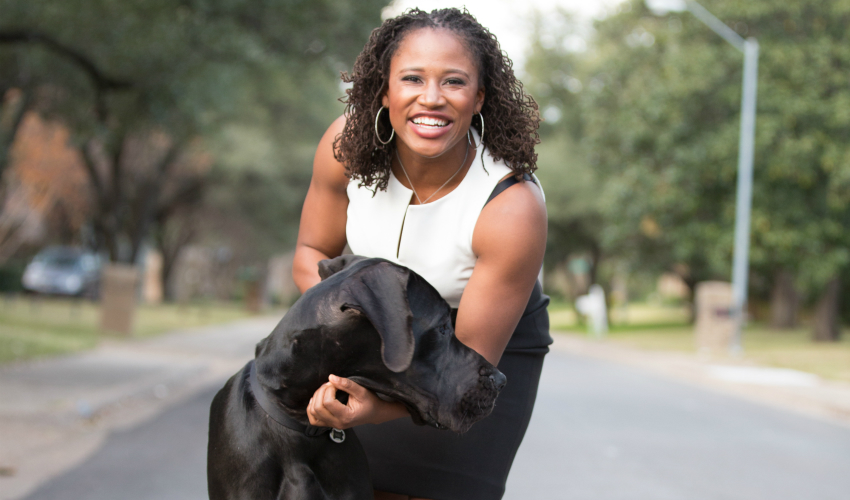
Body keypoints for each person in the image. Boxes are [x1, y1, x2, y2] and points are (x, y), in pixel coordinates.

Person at [292, 8, 552, 500]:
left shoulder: (511, 206)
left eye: (453, 82)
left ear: (479, 98)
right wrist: (346, 326)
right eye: (412, 78)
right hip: (376, 327)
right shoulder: (344, 146)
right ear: (384, 91)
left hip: (477, 349)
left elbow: (467, 371)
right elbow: (310, 251)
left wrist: (377, 406)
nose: (430, 98)